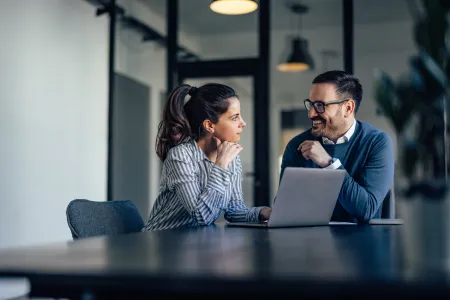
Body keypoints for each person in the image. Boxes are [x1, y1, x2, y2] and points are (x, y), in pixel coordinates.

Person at [142, 83, 271, 231]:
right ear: (209, 125)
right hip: (161, 242)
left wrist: (264, 213)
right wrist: (221, 165)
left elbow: (234, 210)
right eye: (235, 117)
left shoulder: (231, 157)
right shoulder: (180, 156)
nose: (243, 123)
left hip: (193, 243)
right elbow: (202, 216)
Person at [280, 70, 394, 223]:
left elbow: (366, 209)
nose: (311, 113)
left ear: (348, 108)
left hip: (364, 243)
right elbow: (284, 208)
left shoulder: (377, 143)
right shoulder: (297, 145)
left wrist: (329, 164)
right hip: (311, 241)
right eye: (311, 104)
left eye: (320, 105)